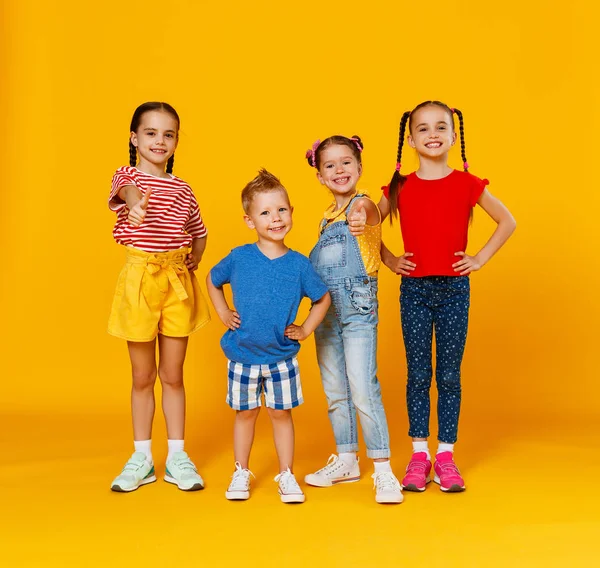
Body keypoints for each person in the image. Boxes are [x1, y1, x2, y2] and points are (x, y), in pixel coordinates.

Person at [379, 101, 516, 492]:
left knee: (449, 375)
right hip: (415, 289)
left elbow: (508, 221)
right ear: (411, 138)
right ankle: (419, 454)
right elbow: (367, 224)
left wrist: (480, 258)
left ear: (454, 136)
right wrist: (390, 260)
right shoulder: (400, 186)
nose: (433, 134)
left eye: (441, 127)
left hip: (455, 289)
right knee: (419, 374)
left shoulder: (467, 184)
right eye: (423, 128)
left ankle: (446, 456)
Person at [206, 169, 330, 504]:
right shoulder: (239, 257)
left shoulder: (299, 265)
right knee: (245, 414)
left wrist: (305, 328)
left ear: (291, 212)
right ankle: (240, 471)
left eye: (281, 210)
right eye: (265, 212)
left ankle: (286, 474)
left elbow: (323, 298)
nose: (275, 218)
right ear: (249, 220)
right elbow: (212, 280)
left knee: (281, 415)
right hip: (243, 356)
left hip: (281, 358)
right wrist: (222, 312)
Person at [108, 102, 210, 492]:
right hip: (140, 280)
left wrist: (195, 257)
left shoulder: (183, 189)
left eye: (168, 134)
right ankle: (142, 457)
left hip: (176, 281)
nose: (159, 141)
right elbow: (127, 190)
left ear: (176, 141)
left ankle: (178, 456)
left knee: (172, 374)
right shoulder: (128, 175)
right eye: (150, 133)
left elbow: (199, 230)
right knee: (142, 375)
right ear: (135, 138)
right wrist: (134, 205)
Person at [303, 135, 403, 504]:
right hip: (325, 311)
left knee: (362, 386)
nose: (339, 170)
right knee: (335, 391)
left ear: (359, 168)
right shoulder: (325, 219)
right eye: (330, 165)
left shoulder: (362, 205)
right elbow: (370, 245)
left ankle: (383, 469)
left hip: (358, 311)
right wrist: (390, 259)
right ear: (320, 177)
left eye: (347, 163)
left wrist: (363, 216)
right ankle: (346, 459)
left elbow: (372, 216)